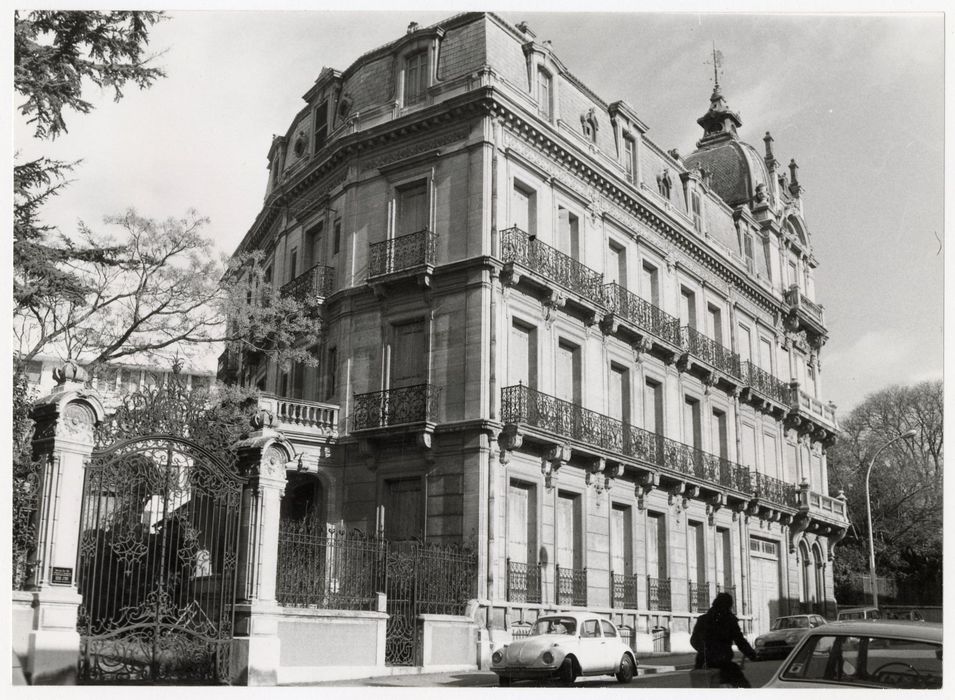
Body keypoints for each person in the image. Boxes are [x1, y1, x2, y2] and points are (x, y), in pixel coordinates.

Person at [690, 592, 758, 688]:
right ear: (728, 605)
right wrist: (752, 655)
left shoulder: (703, 619)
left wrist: (704, 651)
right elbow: (740, 641)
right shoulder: (730, 620)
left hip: (703, 663)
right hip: (723, 663)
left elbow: (694, 640)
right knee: (744, 686)